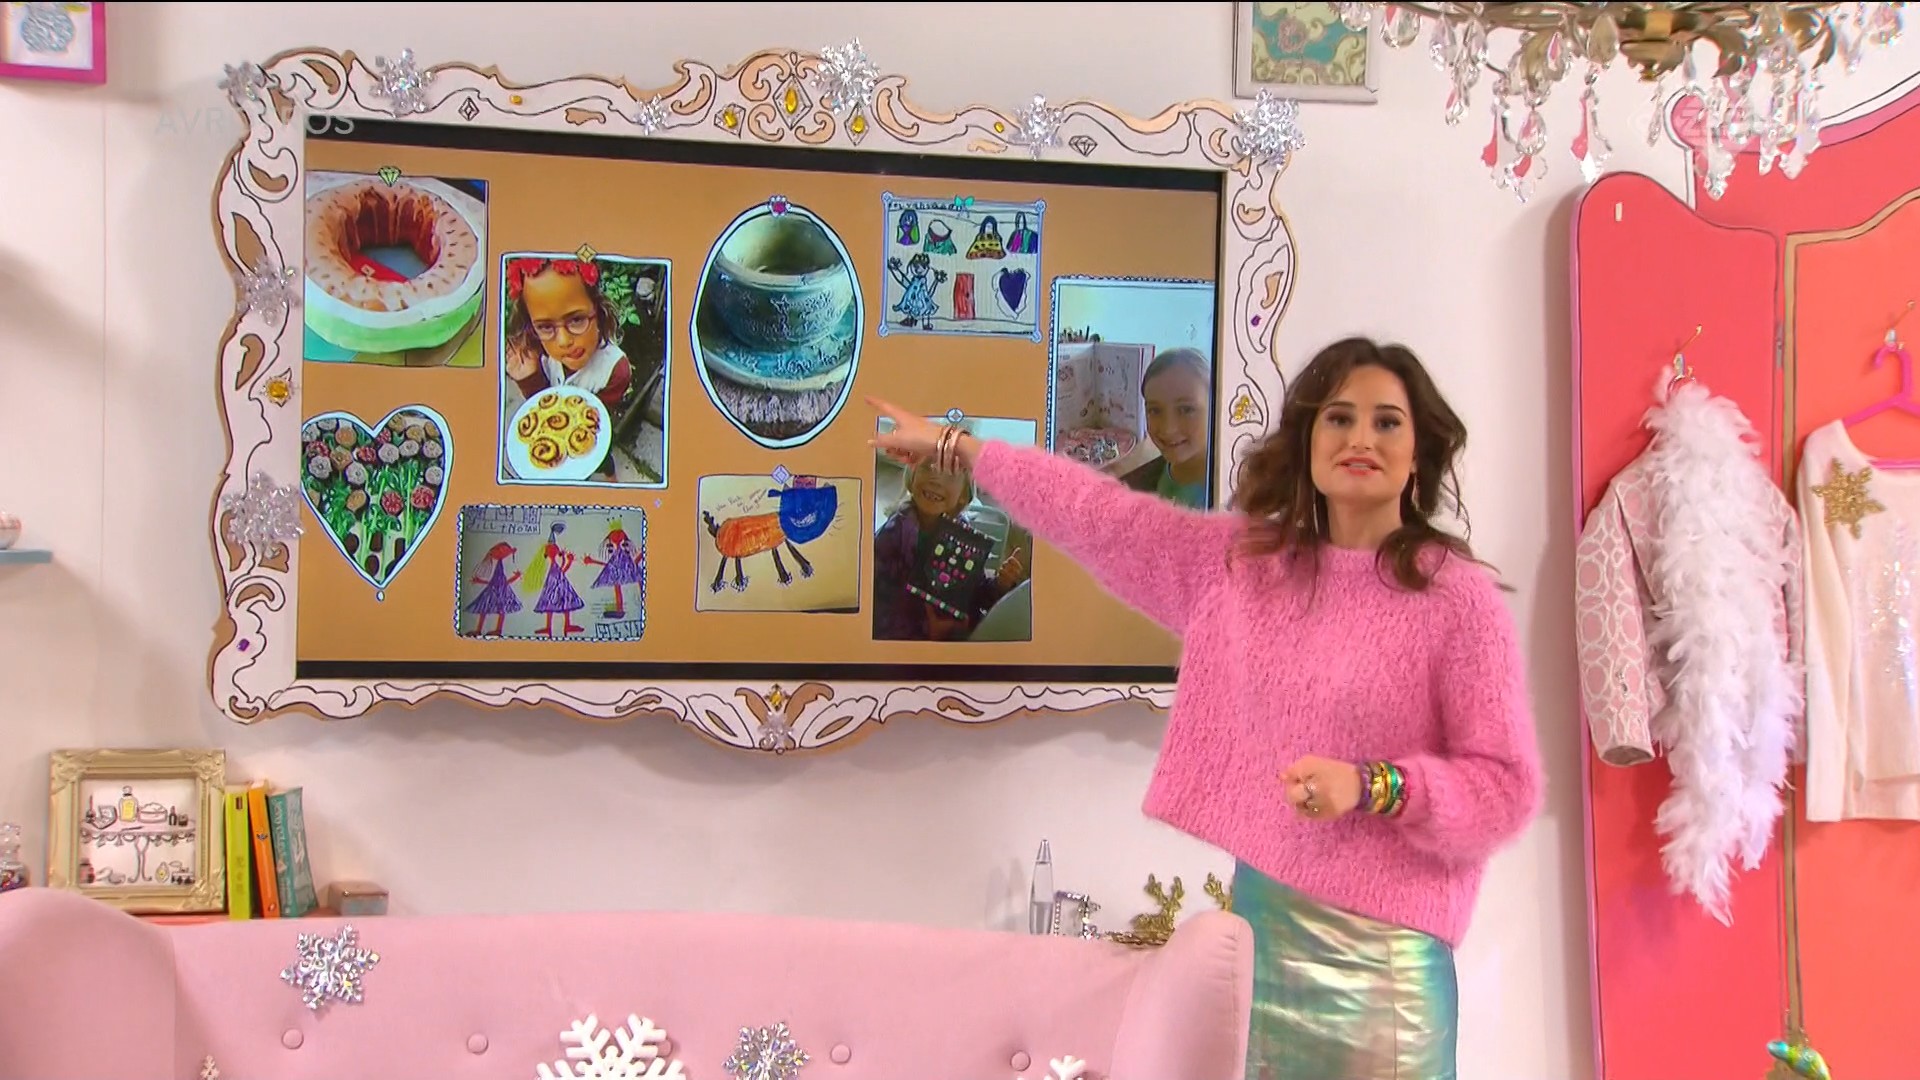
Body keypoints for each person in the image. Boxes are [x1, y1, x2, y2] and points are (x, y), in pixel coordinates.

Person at [868, 337, 1542, 1080]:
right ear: (1308, 440)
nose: (1360, 438)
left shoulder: (1455, 600)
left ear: (1419, 453)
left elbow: (1505, 789)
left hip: (1381, 974)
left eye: (1387, 422)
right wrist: (962, 450)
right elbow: (1098, 516)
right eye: (1339, 418)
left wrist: (1373, 786)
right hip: (1261, 940)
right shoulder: (1244, 566)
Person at [873, 454, 1028, 641]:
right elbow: (877, 605)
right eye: (927, 467)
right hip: (910, 644)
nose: (935, 479)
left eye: (949, 473)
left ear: (963, 495)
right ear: (911, 478)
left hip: (961, 640)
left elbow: (976, 592)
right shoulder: (892, 535)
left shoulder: (964, 536)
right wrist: (928, 632)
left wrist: (1000, 584)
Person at [1119, 346, 1213, 509]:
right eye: (1154, 410)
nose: (1168, 429)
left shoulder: (1225, 492)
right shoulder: (1162, 470)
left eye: (1186, 409)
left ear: (1216, 408)